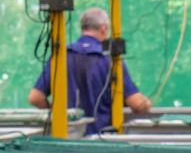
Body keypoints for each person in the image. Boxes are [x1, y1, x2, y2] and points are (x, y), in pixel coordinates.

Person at [29, 7, 151, 136]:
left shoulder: (61, 56)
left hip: (67, 137)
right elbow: (137, 104)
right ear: (104, 28)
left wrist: (60, 111)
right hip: (102, 140)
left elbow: (35, 98)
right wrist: (147, 103)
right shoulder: (111, 59)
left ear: (82, 27)